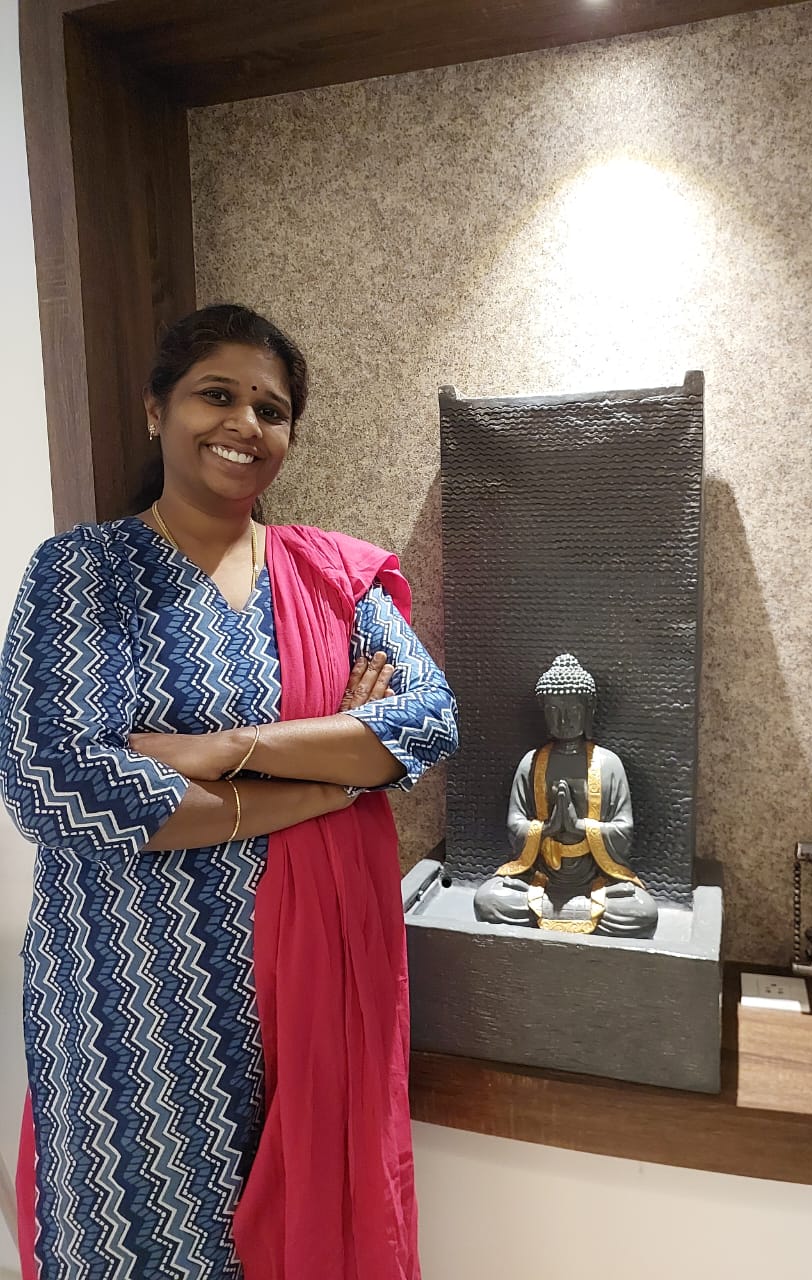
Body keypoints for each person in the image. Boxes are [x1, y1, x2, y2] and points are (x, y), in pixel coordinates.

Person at [0, 304, 458, 1280]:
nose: (245, 423)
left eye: (271, 408)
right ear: (156, 407)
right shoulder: (82, 573)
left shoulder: (334, 580)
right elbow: (56, 785)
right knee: (139, 1238)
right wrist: (326, 776)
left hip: (308, 987)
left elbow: (425, 723)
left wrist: (217, 750)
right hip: (127, 990)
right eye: (218, 394)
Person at [474, 653, 657, 936]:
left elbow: (625, 830)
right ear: (543, 714)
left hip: (595, 878)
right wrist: (548, 828)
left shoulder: (608, 763)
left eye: (573, 710)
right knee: (487, 900)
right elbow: (514, 824)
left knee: (643, 912)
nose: (563, 719)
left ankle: (557, 910)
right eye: (553, 710)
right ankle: (569, 910)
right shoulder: (531, 763)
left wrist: (579, 826)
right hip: (541, 875)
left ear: (589, 711)